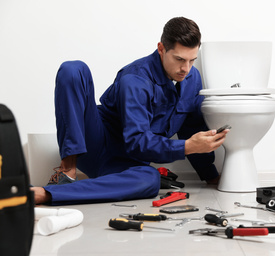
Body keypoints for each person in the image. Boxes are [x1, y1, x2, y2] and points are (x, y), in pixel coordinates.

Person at [31, 17, 229, 205]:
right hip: (96, 145)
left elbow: (191, 127)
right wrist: (186, 147)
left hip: (126, 164)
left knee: (150, 179)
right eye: (179, 59)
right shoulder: (135, 79)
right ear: (161, 49)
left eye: (192, 60)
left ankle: (46, 194)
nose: (186, 68)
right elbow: (136, 141)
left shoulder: (191, 79)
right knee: (73, 69)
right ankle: (67, 172)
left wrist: (210, 175)